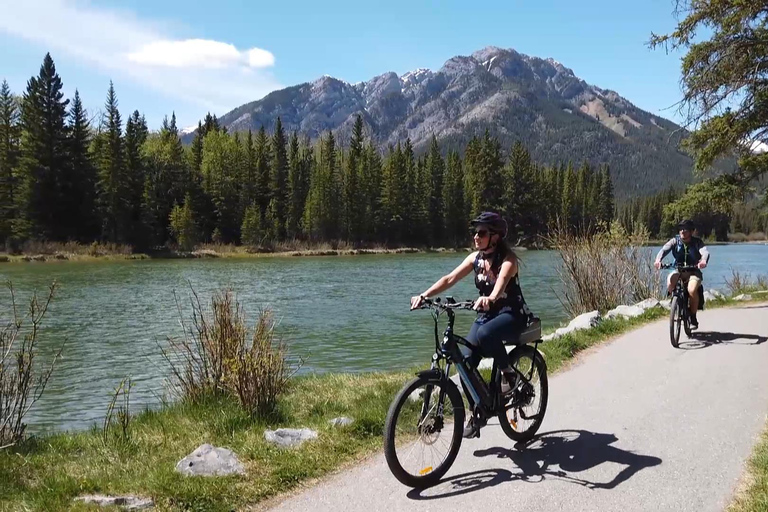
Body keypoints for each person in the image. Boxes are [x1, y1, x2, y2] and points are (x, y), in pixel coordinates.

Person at [410, 211, 534, 438]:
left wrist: (491, 298)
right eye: (475, 233)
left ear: (495, 237)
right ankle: (477, 410)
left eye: (482, 233)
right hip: (486, 315)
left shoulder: (508, 260)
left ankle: (510, 375)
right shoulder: (475, 259)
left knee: (486, 334)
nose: (476, 237)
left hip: (512, 313)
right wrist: (424, 295)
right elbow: (449, 279)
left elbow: (502, 284)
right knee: (464, 363)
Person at [654, 219, 710, 329]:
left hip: (693, 271)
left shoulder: (697, 242)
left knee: (692, 290)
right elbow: (664, 250)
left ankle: (693, 316)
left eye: (685, 229)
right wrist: (658, 260)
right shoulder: (674, 241)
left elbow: (705, 252)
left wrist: (703, 261)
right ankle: (675, 302)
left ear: (691, 231)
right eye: (680, 229)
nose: (682, 231)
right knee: (671, 282)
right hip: (678, 269)